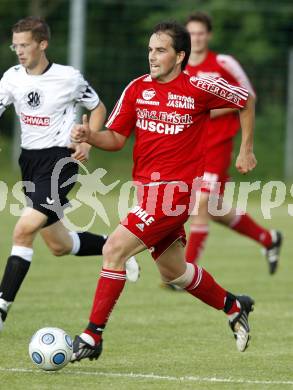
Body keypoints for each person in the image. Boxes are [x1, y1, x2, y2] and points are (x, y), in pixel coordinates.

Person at [70, 20, 257, 361]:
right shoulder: (137, 89)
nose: (152, 57)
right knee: (174, 272)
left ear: (180, 56)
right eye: (150, 50)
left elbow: (245, 100)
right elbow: (115, 138)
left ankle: (91, 336)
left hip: (177, 195)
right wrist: (89, 136)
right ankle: (233, 305)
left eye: (160, 51)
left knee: (114, 249)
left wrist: (246, 149)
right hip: (147, 193)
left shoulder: (199, 88)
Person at [0, 16, 139, 332]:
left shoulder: (68, 78)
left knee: (23, 231)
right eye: (15, 45)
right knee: (59, 246)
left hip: (60, 163)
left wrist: (88, 140)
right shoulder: (11, 78)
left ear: (42, 44)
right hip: (30, 164)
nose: (19, 51)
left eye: (24, 45)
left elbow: (98, 107)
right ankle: (115, 246)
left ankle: (1, 307)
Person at [184, 12, 282, 274]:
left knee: (201, 204)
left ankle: (186, 270)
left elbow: (248, 97)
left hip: (218, 145)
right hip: (192, 148)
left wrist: (246, 148)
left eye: (200, 33)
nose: (196, 38)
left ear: (209, 35)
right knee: (214, 208)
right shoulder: (179, 68)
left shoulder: (223, 63)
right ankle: (268, 239)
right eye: (191, 33)